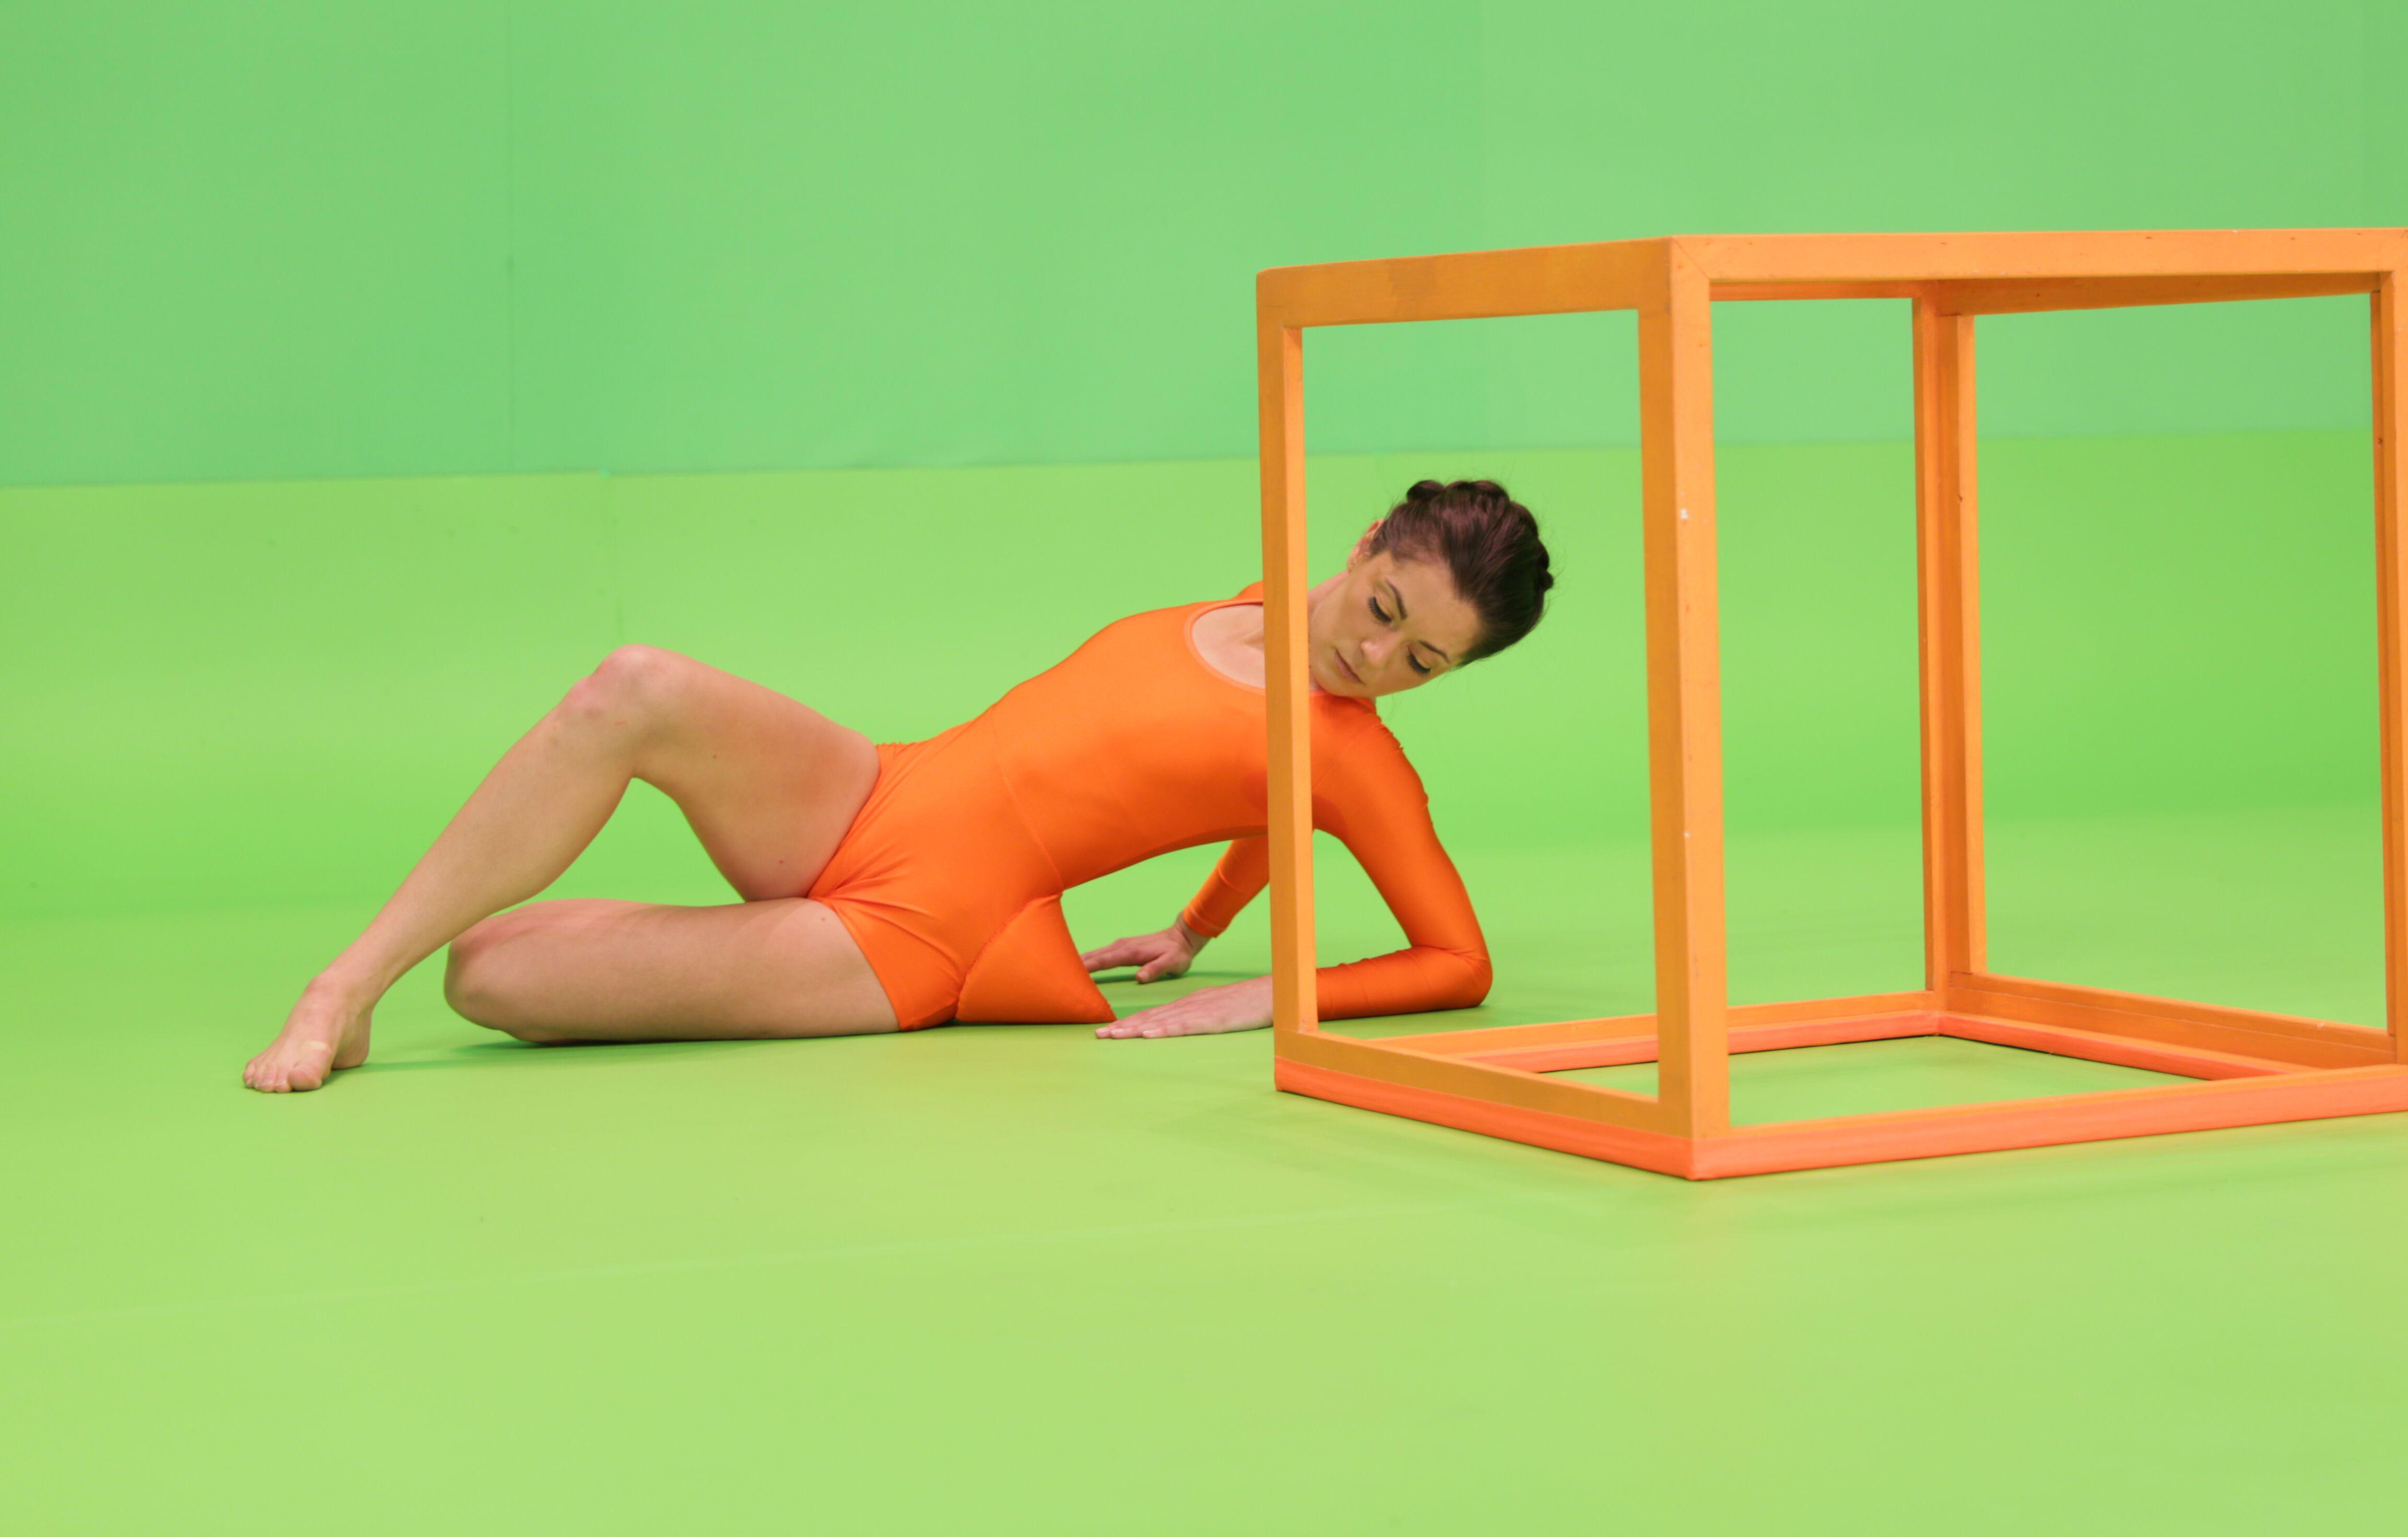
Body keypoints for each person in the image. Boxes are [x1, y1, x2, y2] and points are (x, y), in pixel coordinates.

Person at [240, 480, 1554, 1093]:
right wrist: (1200, 927)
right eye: (1382, 610)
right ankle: (344, 988)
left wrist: (1270, 995)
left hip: (926, 935)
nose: (1371, 659)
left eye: (1420, 663)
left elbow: (1459, 959)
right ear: (1367, 538)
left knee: (493, 975)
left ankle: (702, 958)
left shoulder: (1358, 754)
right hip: (884, 790)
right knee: (634, 683)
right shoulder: (1267, 602)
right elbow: (1260, 796)